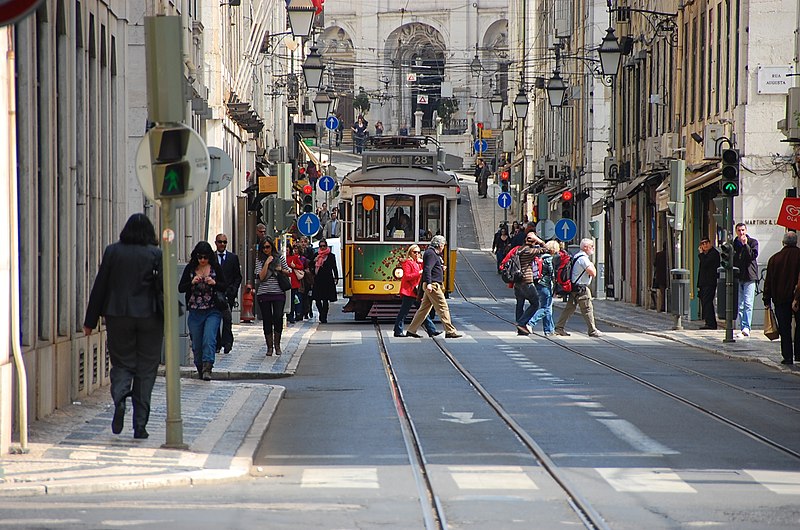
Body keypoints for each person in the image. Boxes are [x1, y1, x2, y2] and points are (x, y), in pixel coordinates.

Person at [83, 213, 163, 439]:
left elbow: (101, 285)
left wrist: (90, 321)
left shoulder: (113, 251)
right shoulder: (156, 254)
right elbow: (163, 288)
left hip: (117, 315)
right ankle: (140, 425)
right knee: (146, 370)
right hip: (149, 317)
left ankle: (119, 399)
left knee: (122, 363)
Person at [179, 241, 227, 381]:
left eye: (205, 257)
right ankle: (200, 367)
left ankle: (208, 368)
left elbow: (224, 286)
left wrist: (215, 283)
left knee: (209, 338)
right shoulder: (190, 268)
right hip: (195, 311)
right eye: (200, 257)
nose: (203, 260)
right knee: (197, 343)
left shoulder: (215, 268)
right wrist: (192, 282)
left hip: (212, 310)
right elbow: (181, 288)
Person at [404, 235, 463, 339]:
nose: (443, 247)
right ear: (439, 245)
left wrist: (440, 268)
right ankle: (450, 331)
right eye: (443, 245)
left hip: (431, 284)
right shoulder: (431, 253)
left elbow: (431, 268)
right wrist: (429, 283)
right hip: (433, 285)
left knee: (423, 309)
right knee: (443, 307)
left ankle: (411, 330)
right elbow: (427, 269)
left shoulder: (431, 253)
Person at [555, 238, 601, 337]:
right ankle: (592, 330)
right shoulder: (583, 258)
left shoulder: (577, 256)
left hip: (574, 287)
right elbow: (593, 273)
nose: (593, 248)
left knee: (569, 308)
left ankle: (559, 327)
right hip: (581, 289)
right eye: (591, 246)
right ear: (585, 247)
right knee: (587, 309)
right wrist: (593, 266)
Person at [766, 231, 800, 364]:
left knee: (784, 328)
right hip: (798, 298)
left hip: (780, 299)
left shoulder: (775, 258)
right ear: (796, 242)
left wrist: (766, 300)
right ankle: (798, 354)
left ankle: (787, 356)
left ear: (783, 242)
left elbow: (768, 281)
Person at [393, 244, 440, 338]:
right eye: (415, 252)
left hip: (416, 291)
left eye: (419, 252)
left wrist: (422, 262)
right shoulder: (407, 262)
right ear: (410, 253)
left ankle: (432, 330)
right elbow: (407, 276)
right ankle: (398, 331)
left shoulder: (418, 263)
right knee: (404, 311)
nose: (417, 254)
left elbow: (427, 267)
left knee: (422, 311)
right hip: (409, 291)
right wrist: (418, 273)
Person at [255, 236, 291, 355]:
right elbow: (261, 276)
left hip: (278, 292)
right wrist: (267, 263)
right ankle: (269, 347)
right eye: (264, 247)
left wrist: (280, 269)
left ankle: (277, 345)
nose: (266, 250)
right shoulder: (259, 260)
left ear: (272, 247)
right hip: (264, 293)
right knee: (267, 319)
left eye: (268, 247)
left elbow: (288, 272)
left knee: (278, 317)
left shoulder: (279, 257)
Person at [511, 231, 546, 335]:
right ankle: (522, 323)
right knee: (535, 303)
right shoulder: (529, 251)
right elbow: (547, 249)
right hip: (526, 281)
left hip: (517, 282)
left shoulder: (519, 250)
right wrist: (540, 241)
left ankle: (520, 329)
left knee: (520, 304)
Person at [214, 233, 242, 353]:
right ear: (216, 243)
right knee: (215, 318)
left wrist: (233, 289)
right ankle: (217, 343)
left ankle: (227, 342)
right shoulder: (211, 257)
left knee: (227, 319)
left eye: (224, 242)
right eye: (220, 242)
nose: (222, 244)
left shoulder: (232, 258)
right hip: (215, 293)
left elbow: (238, 277)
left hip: (228, 294)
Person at [528, 240, 559, 335]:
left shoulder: (540, 257)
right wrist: (556, 286)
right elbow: (552, 273)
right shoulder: (549, 259)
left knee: (548, 308)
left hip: (538, 284)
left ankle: (549, 330)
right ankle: (530, 323)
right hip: (546, 285)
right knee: (545, 308)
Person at [733, 222, 759, 336]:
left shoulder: (753, 242)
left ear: (746, 231)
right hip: (739, 275)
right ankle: (742, 327)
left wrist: (745, 245)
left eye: (743, 230)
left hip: (749, 275)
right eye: (739, 230)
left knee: (748, 303)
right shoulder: (734, 244)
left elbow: (752, 256)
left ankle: (746, 327)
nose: (741, 232)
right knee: (741, 304)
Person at [312, 238, 339, 323]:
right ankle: (321, 313)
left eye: (324, 246)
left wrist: (336, 277)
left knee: (325, 299)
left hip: (327, 280)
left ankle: (324, 316)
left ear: (326, 246)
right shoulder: (316, 255)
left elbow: (334, 267)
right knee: (317, 299)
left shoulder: (331, 256)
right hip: (318, 280)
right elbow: (310, 266)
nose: (322, 247)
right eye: (321, 246)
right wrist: (314, 261)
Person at [697, 238, 720, 329]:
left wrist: (701, 254)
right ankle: (708, 322)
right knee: (705, 302)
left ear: (710, 244)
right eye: (703, 244)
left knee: (708, 302)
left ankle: (711, 323)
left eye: (706, 243)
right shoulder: (705, 255)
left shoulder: (713, 253)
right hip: (704, 282)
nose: (705, 245)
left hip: (710, 282)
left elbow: (706, 263)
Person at [286, 244, 308, 324]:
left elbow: (301, 266)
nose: (286, 251)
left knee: (292, 300)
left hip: (293, 282)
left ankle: (291, 315)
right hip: (284, 281)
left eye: (287, 249)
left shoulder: (294, 257)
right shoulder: (282, 257)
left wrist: (294, 265)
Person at [653, 244, 668, 312]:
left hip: (660, 276)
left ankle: (662, 306)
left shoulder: (658, 254)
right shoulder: (668, 255)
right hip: (667, 276)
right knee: (664, 292)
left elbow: (654, 264)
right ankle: (664, 306)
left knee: (662, 292)